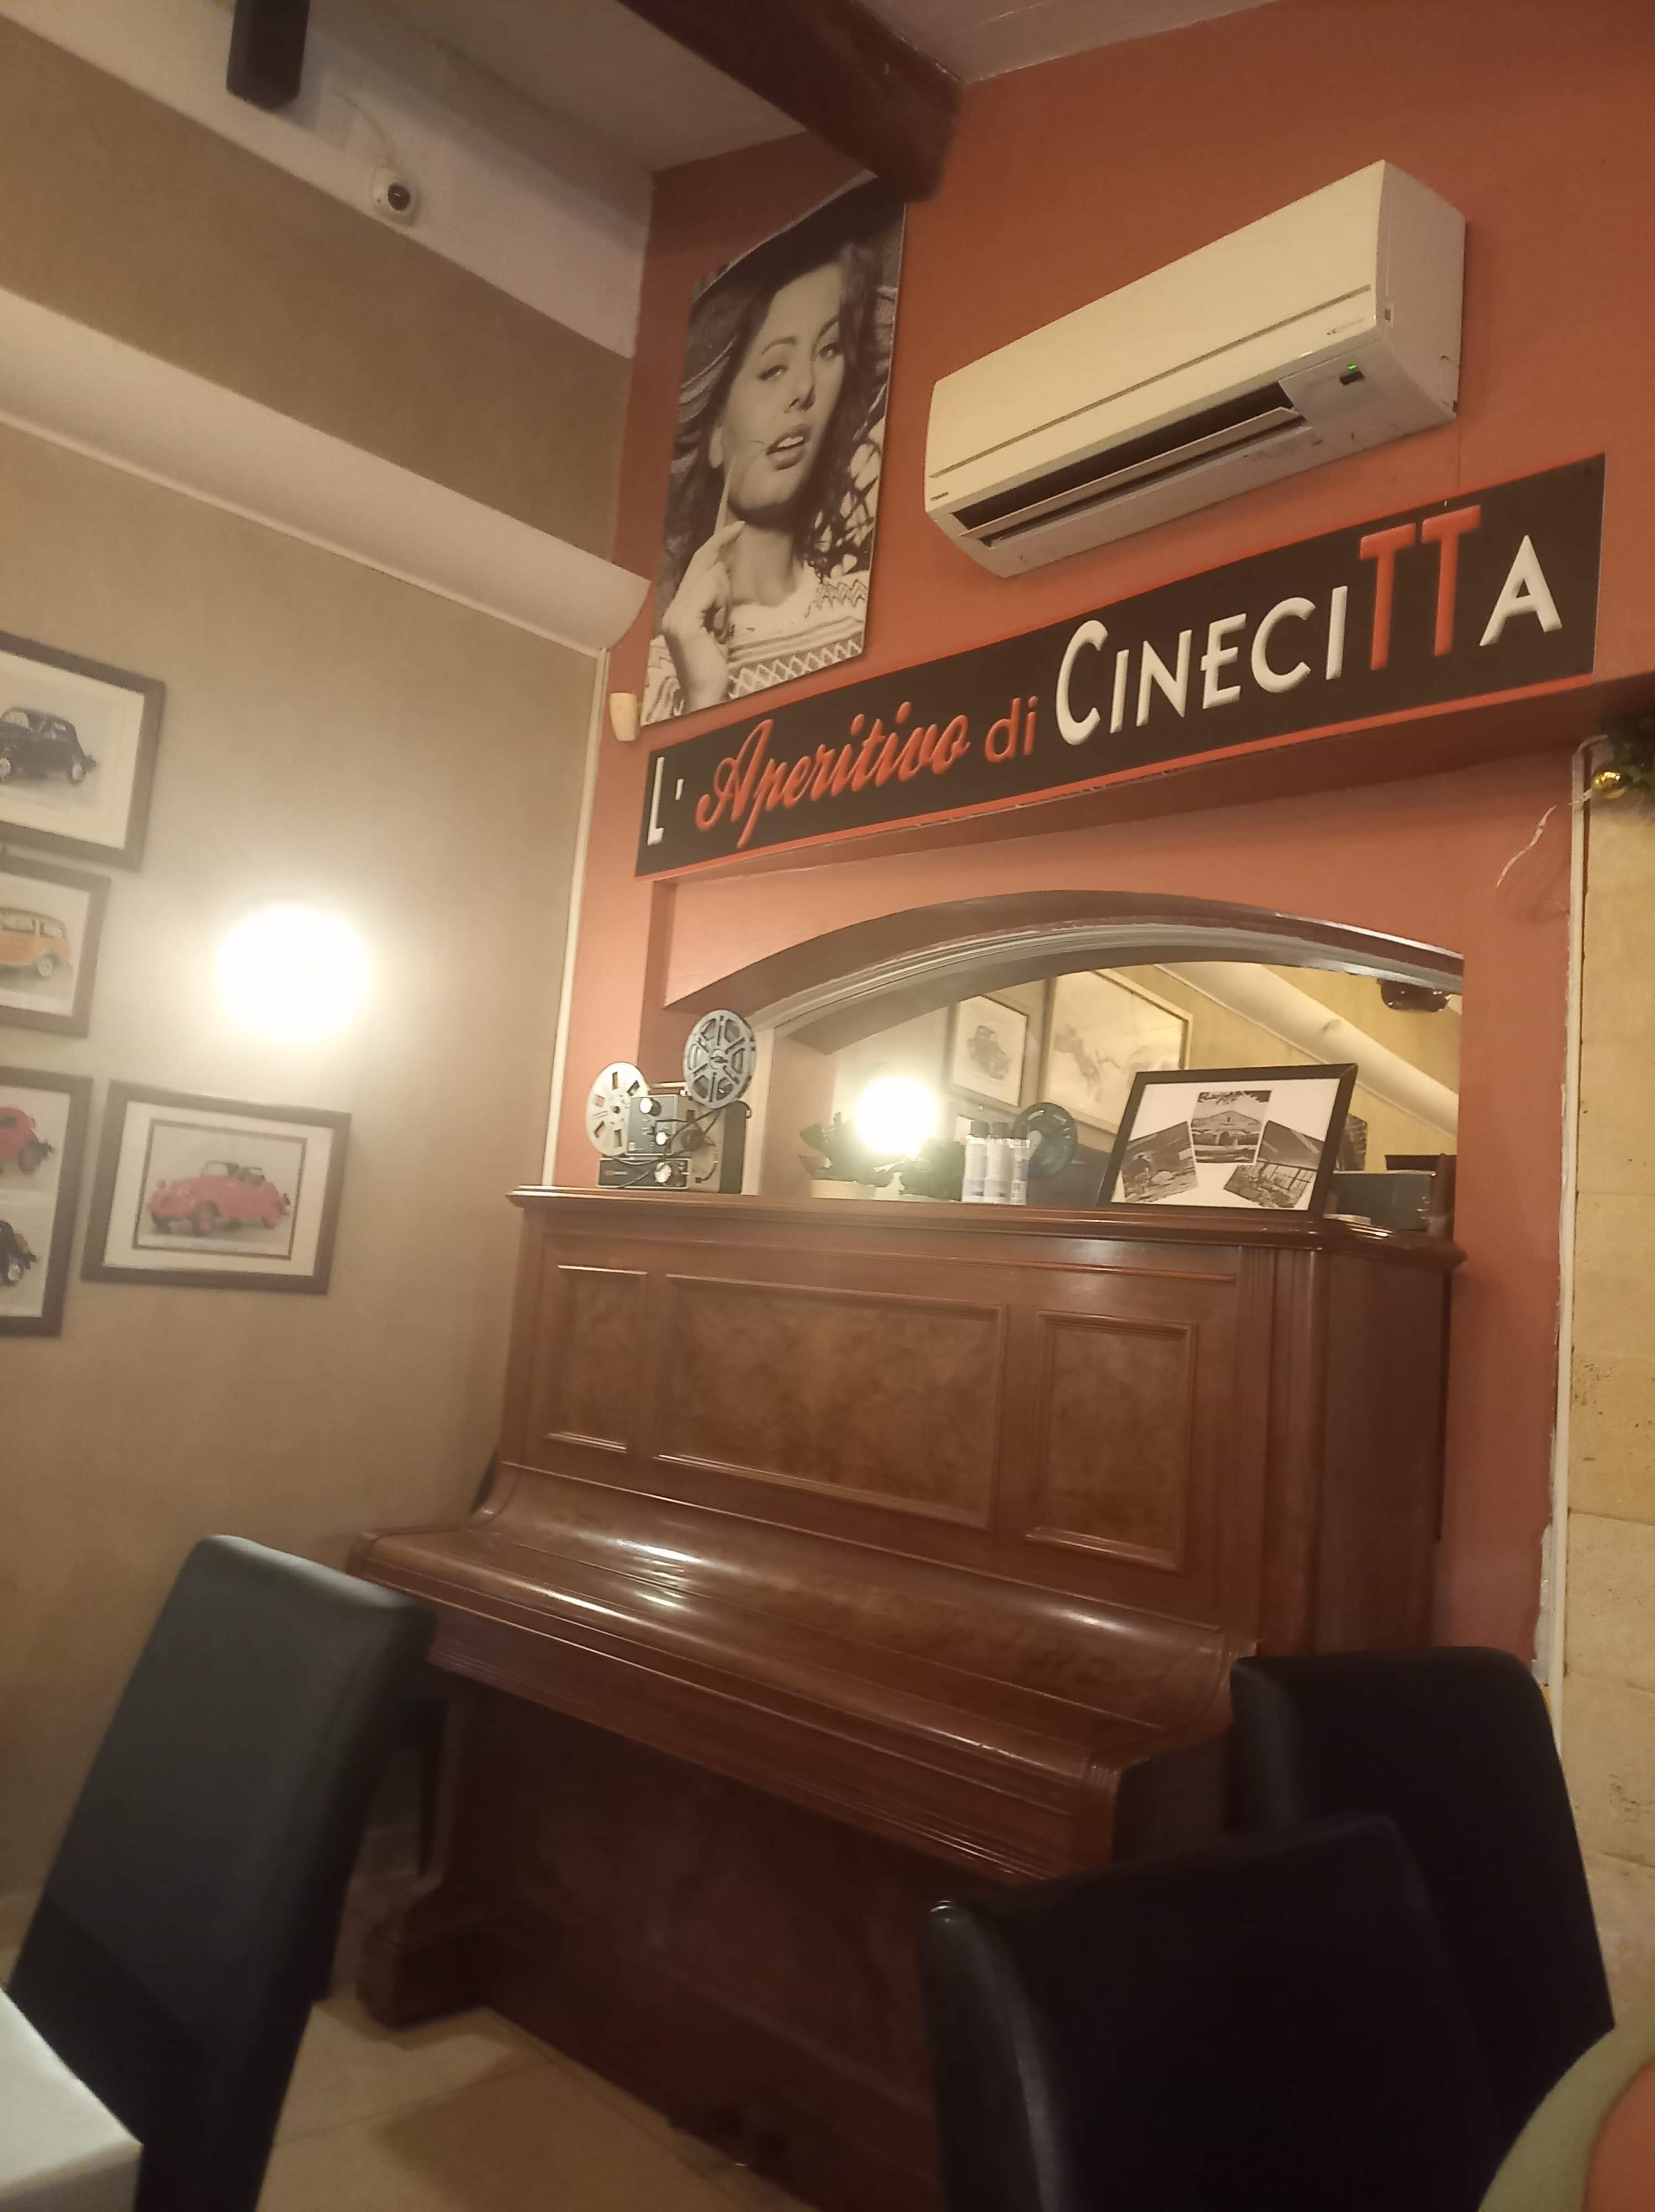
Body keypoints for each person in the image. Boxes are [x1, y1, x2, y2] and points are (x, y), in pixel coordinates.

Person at [643, 180, 899, 726]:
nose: (805, 389)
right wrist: (702, 696)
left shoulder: (865, 613)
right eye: (773, 369)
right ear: (715, 433)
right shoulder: (660, 676)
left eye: (829, 350)